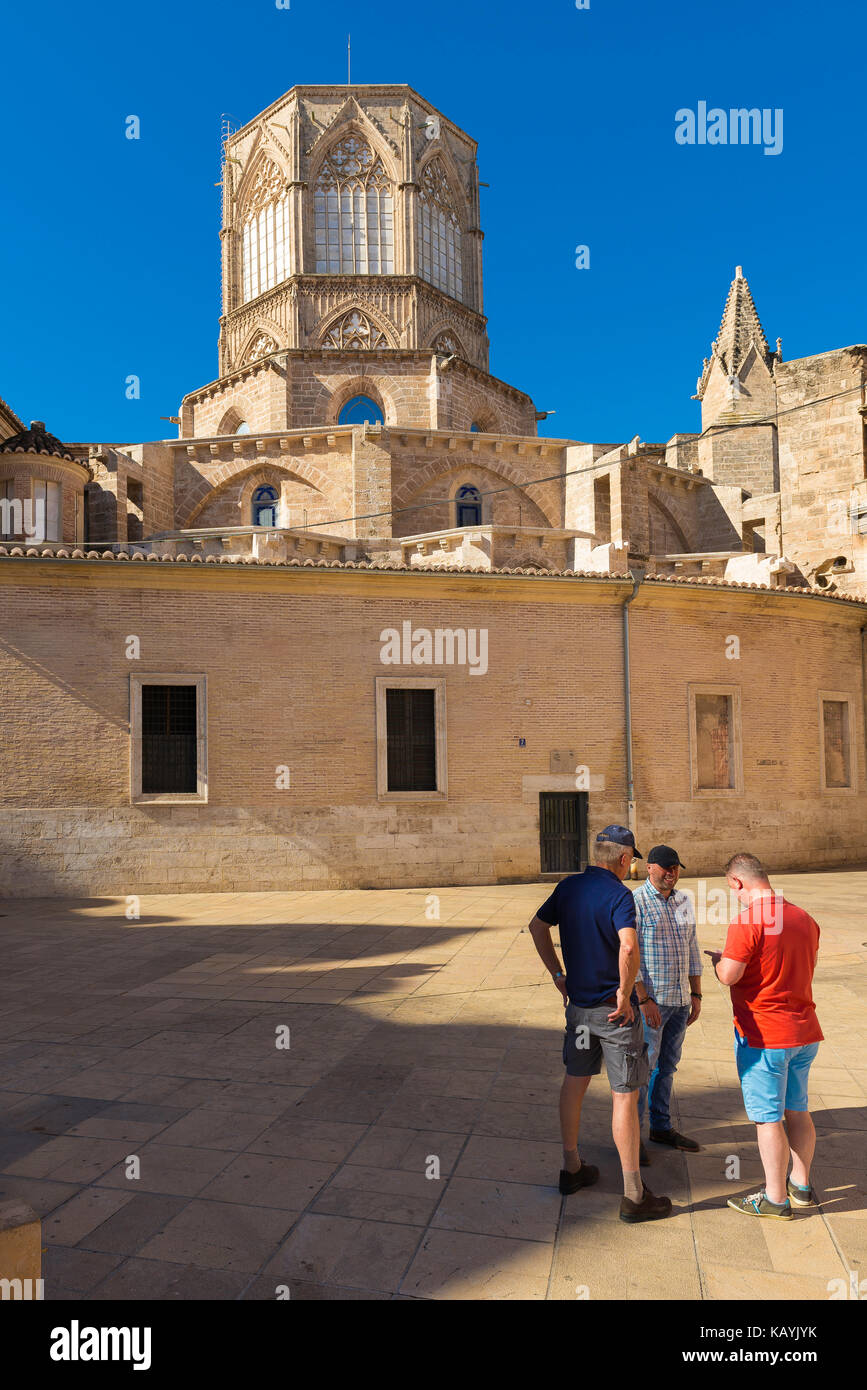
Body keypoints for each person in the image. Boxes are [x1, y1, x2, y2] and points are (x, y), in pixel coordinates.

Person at [528, 825, 672, 1223]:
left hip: (578, 1011)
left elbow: (537, 927)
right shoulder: (619, 896)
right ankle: (633, 1194)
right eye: (633, 861)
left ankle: (571, 1168)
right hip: (614, 1014)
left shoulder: (569, 887)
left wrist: (559, 975)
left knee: (574, 1083)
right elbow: (628, 945)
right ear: (624, 859)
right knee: (624, 1096)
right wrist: (627, 996)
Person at [709, 852, 824, 1219]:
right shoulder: (805, 919)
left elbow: (729, 975)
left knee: (768, 1118)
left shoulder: (748, 921)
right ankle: (801, 1186)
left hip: (765, 1036)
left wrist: (718, 961)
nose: (735, 896)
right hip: (805, 1032)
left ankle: (775, 1199)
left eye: (733, 890)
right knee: (798, 1110)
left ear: (737, 882)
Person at [633, 845, 702, 1165]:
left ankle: (661, 1127)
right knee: (642, 1070)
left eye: (675, 868)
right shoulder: (635, 902)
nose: (671, 873)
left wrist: (697, 994)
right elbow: (628, 956)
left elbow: (692, 949)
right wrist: (643, 998)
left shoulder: (684, 900)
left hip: (679, 1001)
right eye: (665, 867)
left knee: (667, 1067)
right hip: (653, 1002)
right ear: (649, 868)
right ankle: (632, 1137)